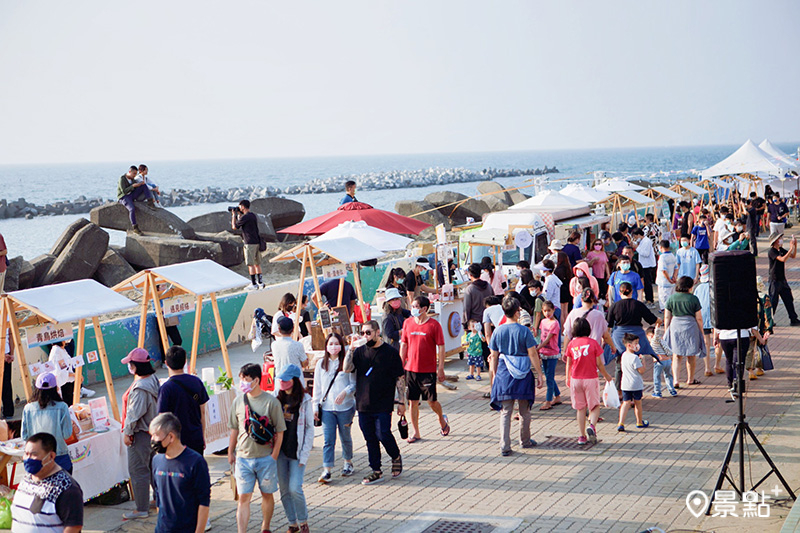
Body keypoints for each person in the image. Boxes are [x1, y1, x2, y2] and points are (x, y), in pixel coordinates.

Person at [344, 320, 406, 485]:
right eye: (363, 333)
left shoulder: (390, 353)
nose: (365, 336)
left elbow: (399, 378)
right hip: (363, 403)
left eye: (368, 332)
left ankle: (395, 455)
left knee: (383, 433)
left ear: (378, 332)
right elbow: (346, 368)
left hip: (383, 403)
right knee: (370, 437)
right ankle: (376, 470)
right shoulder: (359, 352)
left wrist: (401, 401)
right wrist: (351, 349)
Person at [228, 363, 286, 533]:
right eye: (241, 379)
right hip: (243, 458)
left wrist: (273, 455)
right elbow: (234, 429)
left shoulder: (271, 402)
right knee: (243, 497)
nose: (243, 383)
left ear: (256, 380)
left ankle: (265, 527)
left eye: (246, 380)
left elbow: (280, 432)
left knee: (267, 494)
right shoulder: (238, 402)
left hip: (265, 458)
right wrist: (231, 452)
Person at [489, 295, 543, 456]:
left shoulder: (498, 331)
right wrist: (539, 373)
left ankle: (505, 445)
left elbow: (494, 356)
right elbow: (532, 354)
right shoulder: (524, 331)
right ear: (517, 312)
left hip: (505, 372)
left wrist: (494, 376)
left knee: (506, 411)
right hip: (524, 373)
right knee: (524, 410)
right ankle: (525, 440)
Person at [149, 413, 211, 533]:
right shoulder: (156, 460)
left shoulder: (195, 462)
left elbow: (204, 502)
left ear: (171, 437)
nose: (152, 440)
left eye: (156, 436)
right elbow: (158, 495)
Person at [400, 296, 449, 442]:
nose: (413, 309)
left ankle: (442, 419)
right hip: (411, 369)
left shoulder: (434, 325)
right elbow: (404, 344)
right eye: (412, 306)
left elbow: (441, 347)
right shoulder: (407, 323)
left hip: (427, 371)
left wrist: (441, 368)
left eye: (415, 306)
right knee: (412, 402)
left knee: (431, 402)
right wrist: (400, 365)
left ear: (424, 309)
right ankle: (416, 432)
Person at [11, 433, 83, 533]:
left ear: (51, 456)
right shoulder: (27, 478)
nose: (28, 459)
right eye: (26, 454)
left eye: (34, 454)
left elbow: (73, 527)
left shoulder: (66, 487)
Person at [121, 347, 160, 520]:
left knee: (138, 471)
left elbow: (134, 414)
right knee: (152, 468)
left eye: (130, 363)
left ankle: (141, 508)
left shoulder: (140, 388)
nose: (129, 366)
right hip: (153, 431)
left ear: (135, 366)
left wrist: (127, 432)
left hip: (141, 434)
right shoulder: (152, 379)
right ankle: (157, 499)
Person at [275, 365, 313, 533]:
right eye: (281, 380)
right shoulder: (277, 399)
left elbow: (309, 429)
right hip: (280, 452)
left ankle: (303, 520)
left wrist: (304, 455)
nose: (283, 383)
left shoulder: (305, 400)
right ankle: (292, 522)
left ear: (295, 380)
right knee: (283, 490)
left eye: (286, 380)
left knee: (294, 488)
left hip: (297, 453)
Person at [313, 333, 356, 483]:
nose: (333, 347)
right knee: (328, 439)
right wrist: (315, 407)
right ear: (325, 346)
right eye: (330, 344)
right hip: (327, 408)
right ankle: (327, 469)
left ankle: (348, 462)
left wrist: (345, 392)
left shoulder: (346, 362)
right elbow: (317, 387)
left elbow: (353, 383)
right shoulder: (320, 364)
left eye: (337, 343)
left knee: (345, 437)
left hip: (345, 407)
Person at [564, 317, 612, 445]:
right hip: (590, 378)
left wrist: (567, 377)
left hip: (575, 379)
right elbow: (599, 364)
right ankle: (592, 426)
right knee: (595, 405)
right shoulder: (593, 343)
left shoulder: (571, 344)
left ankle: (581, 436)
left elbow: (568, 363)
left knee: (580, 408)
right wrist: (606, 375)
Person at [606, 281, 661, 394]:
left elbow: (608, 325)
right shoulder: (638, 304)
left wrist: (605, 340)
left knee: (619, 364)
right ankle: (633, 391)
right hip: (636, 336)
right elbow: (651, 319)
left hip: (620, 337)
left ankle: (619, 392)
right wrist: (659, 321)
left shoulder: (615, 306)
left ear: (619, 292)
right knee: (636, 362)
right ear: (632, 292)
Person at [156, 345, 210, 455]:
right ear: (185, 362)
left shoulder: (166, 388)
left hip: (175, 441)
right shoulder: (196, 382)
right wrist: (202, 435)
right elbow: (203, 412)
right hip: (195, 437)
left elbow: (162, 418)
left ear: (166, 363)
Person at [21, 373, 75, 474]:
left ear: (36, 388)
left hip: (36, 458)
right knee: (64, 487)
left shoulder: (28, 408)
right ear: (55, 388)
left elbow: (24, 436)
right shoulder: (62, 407)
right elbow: (67, 434)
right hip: (60, 456)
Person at [664, 276, 706, 389]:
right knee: (691, 355)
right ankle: (690, 379)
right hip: (690, 326)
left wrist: (666, 330)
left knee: (676, 355)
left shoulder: (671, 298)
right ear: (689, 286)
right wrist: (701, 331)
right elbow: (699, 318)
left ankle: (676, 380)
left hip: (676, 325)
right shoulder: (693, 299)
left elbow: (667, 317)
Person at [617, 333, 649, 432]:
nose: (637, 345)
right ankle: (639, 422)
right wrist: (643, 361)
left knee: (625, 403)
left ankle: (621, 423)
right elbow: (641, 370)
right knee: (638, 403)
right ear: (629, 345)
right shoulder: (635, 358)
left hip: (625, 384)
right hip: (636, 384)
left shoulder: (623, 355)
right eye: (636, 343)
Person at [767, 232, 800, 326]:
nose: (781, 239)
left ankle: (793, 318)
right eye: (779, 238)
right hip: (774, 280)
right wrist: (790, 248)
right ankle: (769, 321)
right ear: (775, 241)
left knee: (788, 298)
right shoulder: (772, 251)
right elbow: (782, 259)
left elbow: (792, 256)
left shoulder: (780, 249)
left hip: (782, 279)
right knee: (773, 301)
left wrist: (795, 245)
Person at [231, 199, 264, 290]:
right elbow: (243, 223)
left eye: (240, 207)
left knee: (250, 264)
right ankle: (260, 282)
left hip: (249, 243)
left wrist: (233, 215)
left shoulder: (245, 217)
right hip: (256, 241)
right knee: (257, 263)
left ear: (242, 207)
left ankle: (253, 284)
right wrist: (239, 216)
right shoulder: (252, 215)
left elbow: (234, 227)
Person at [272, 316, 308, 389]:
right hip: (296, 383)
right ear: (293, 329)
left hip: (280, 383)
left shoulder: (274, 345)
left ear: (279, 329)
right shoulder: (298, 345)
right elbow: (305, 363)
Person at [537, 301, 561, 410]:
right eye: (545, 311)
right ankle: (557, 395)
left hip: (552, 353)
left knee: (549, 377)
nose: (547, 313)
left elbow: (547, 339)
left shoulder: (555, 323)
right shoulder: (543, 322)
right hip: (544, 353)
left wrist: (537, 348)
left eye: (549, 311)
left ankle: (548, 401)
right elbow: (542, 336)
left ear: (553, 310)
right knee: (548, 376)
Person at [117, 165, 154, 235]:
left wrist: (139, 185)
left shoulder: (133, 179)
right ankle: (135, 228)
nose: (134, 176)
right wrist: (133, 186)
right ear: (129, 171)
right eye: (133, 173)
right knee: (132, 209)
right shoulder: (122, 178)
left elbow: (134, 188)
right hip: (124, 197)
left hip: (132, 195)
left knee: (143, 185)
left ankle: (150, 201)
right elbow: (124, 191)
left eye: (135, 174)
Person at [693, 265, 715, 377]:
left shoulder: (698, 288)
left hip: (703, 317)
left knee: (706, 341)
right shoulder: (714, 286)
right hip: (715, 316)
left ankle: (707, 367)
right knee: (718, 340)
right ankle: (717, 364)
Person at [646, 325, 677, 398]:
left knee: (657, 376)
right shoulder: (662, 340)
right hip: (668, 360)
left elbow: (656, 335)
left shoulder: (654, 340)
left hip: (659, 362)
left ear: (650, 335)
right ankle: (672, 390)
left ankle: (657, 391)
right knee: (668, 375)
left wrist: (657, 326)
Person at [632, 228, 656, 305]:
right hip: (643, 265)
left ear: (638, 235)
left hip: (647, 265)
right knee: (645, 283)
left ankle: (650, 300)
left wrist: (637, 247)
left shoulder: (647, 241)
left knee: (648, 283)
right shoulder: (642, 241)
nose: (635, 239)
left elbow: (646, 253)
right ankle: (648, 298)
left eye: (635, 237)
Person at [656, 239, 678, 312]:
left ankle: (666, 320)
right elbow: (676, 268)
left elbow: (664, 270)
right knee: (671, 301)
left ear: (661, 247)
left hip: (664, 283)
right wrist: (674, 277)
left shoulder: (662, 257)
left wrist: (669, 279)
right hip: (672, 283)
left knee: (665, 302)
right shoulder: (672, 256)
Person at [553, 251, 573, 319]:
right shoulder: (568, 268)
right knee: (565, 310)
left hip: (561, 290)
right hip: (567, 290)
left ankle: (562, 327)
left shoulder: (558, 270)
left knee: (561, 311)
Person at [1, 328, 13, 418]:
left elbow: (11, 336)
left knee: (6, 383)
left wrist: (12, 353)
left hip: (6, 354)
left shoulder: (7, 315)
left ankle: (8, 411)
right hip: (3, 355)